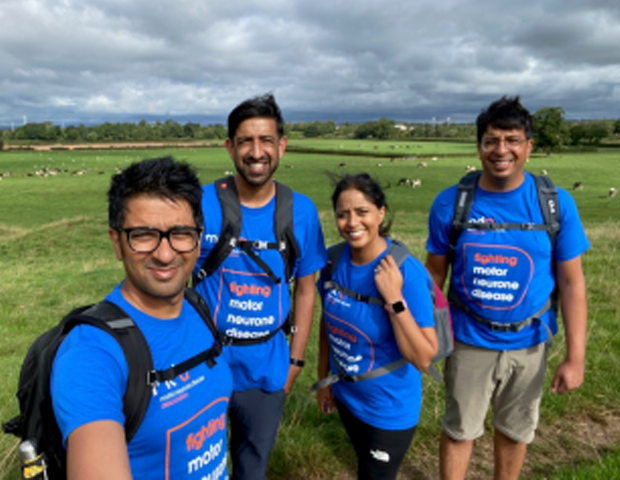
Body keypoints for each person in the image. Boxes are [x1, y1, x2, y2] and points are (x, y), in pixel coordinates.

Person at [425, 96, 589, 480]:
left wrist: (575, 357)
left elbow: (572, 282)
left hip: (530, 343)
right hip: (467, 340)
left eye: (512, 140)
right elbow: (434, 276)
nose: (501, 150)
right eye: (491, 140)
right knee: (459, 430)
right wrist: (427, 334)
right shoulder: (450, 204)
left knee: (515, 432)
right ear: (479, 146)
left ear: (529, 147)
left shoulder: (555, 204)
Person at [51, 156, 233, 479]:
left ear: (198, 237)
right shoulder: (91, 354)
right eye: (144, 235)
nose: (165, 254)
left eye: (180, 233)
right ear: (117, 242)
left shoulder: (198, 307)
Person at [195, 93, 327, 480]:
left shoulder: (299, 210)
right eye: (245, 141)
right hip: (205, 364)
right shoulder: (201, 202)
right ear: (230, 147)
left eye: (266, 140)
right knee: (201, 467)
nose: (256, 152)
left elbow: (306, 289)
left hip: (268, 369)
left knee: (253, 468)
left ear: (281, 146)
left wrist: (296, 362)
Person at [315, 173, 439, 480]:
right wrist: (324, 380)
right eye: (343, 214)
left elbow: (424, 358)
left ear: (380, 213)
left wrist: (394, 298)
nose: (352, 222)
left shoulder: (406, 273)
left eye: (362, 212)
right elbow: (328, 324)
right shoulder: (333, 262)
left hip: (388, 409)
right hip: (347, 397)